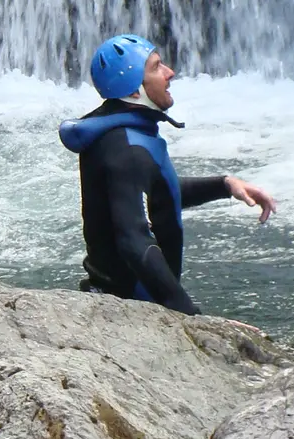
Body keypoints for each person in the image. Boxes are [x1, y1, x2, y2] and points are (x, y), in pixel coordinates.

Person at [59, 34, 276, 315]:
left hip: (135, 297)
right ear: (135, 90)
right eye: (157, 67)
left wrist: (225, 185)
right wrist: (188, 314)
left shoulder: (126, 132)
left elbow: (160, 193)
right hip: (128, 307)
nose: (170, 72)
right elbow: (134, 241)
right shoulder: (125, 149)